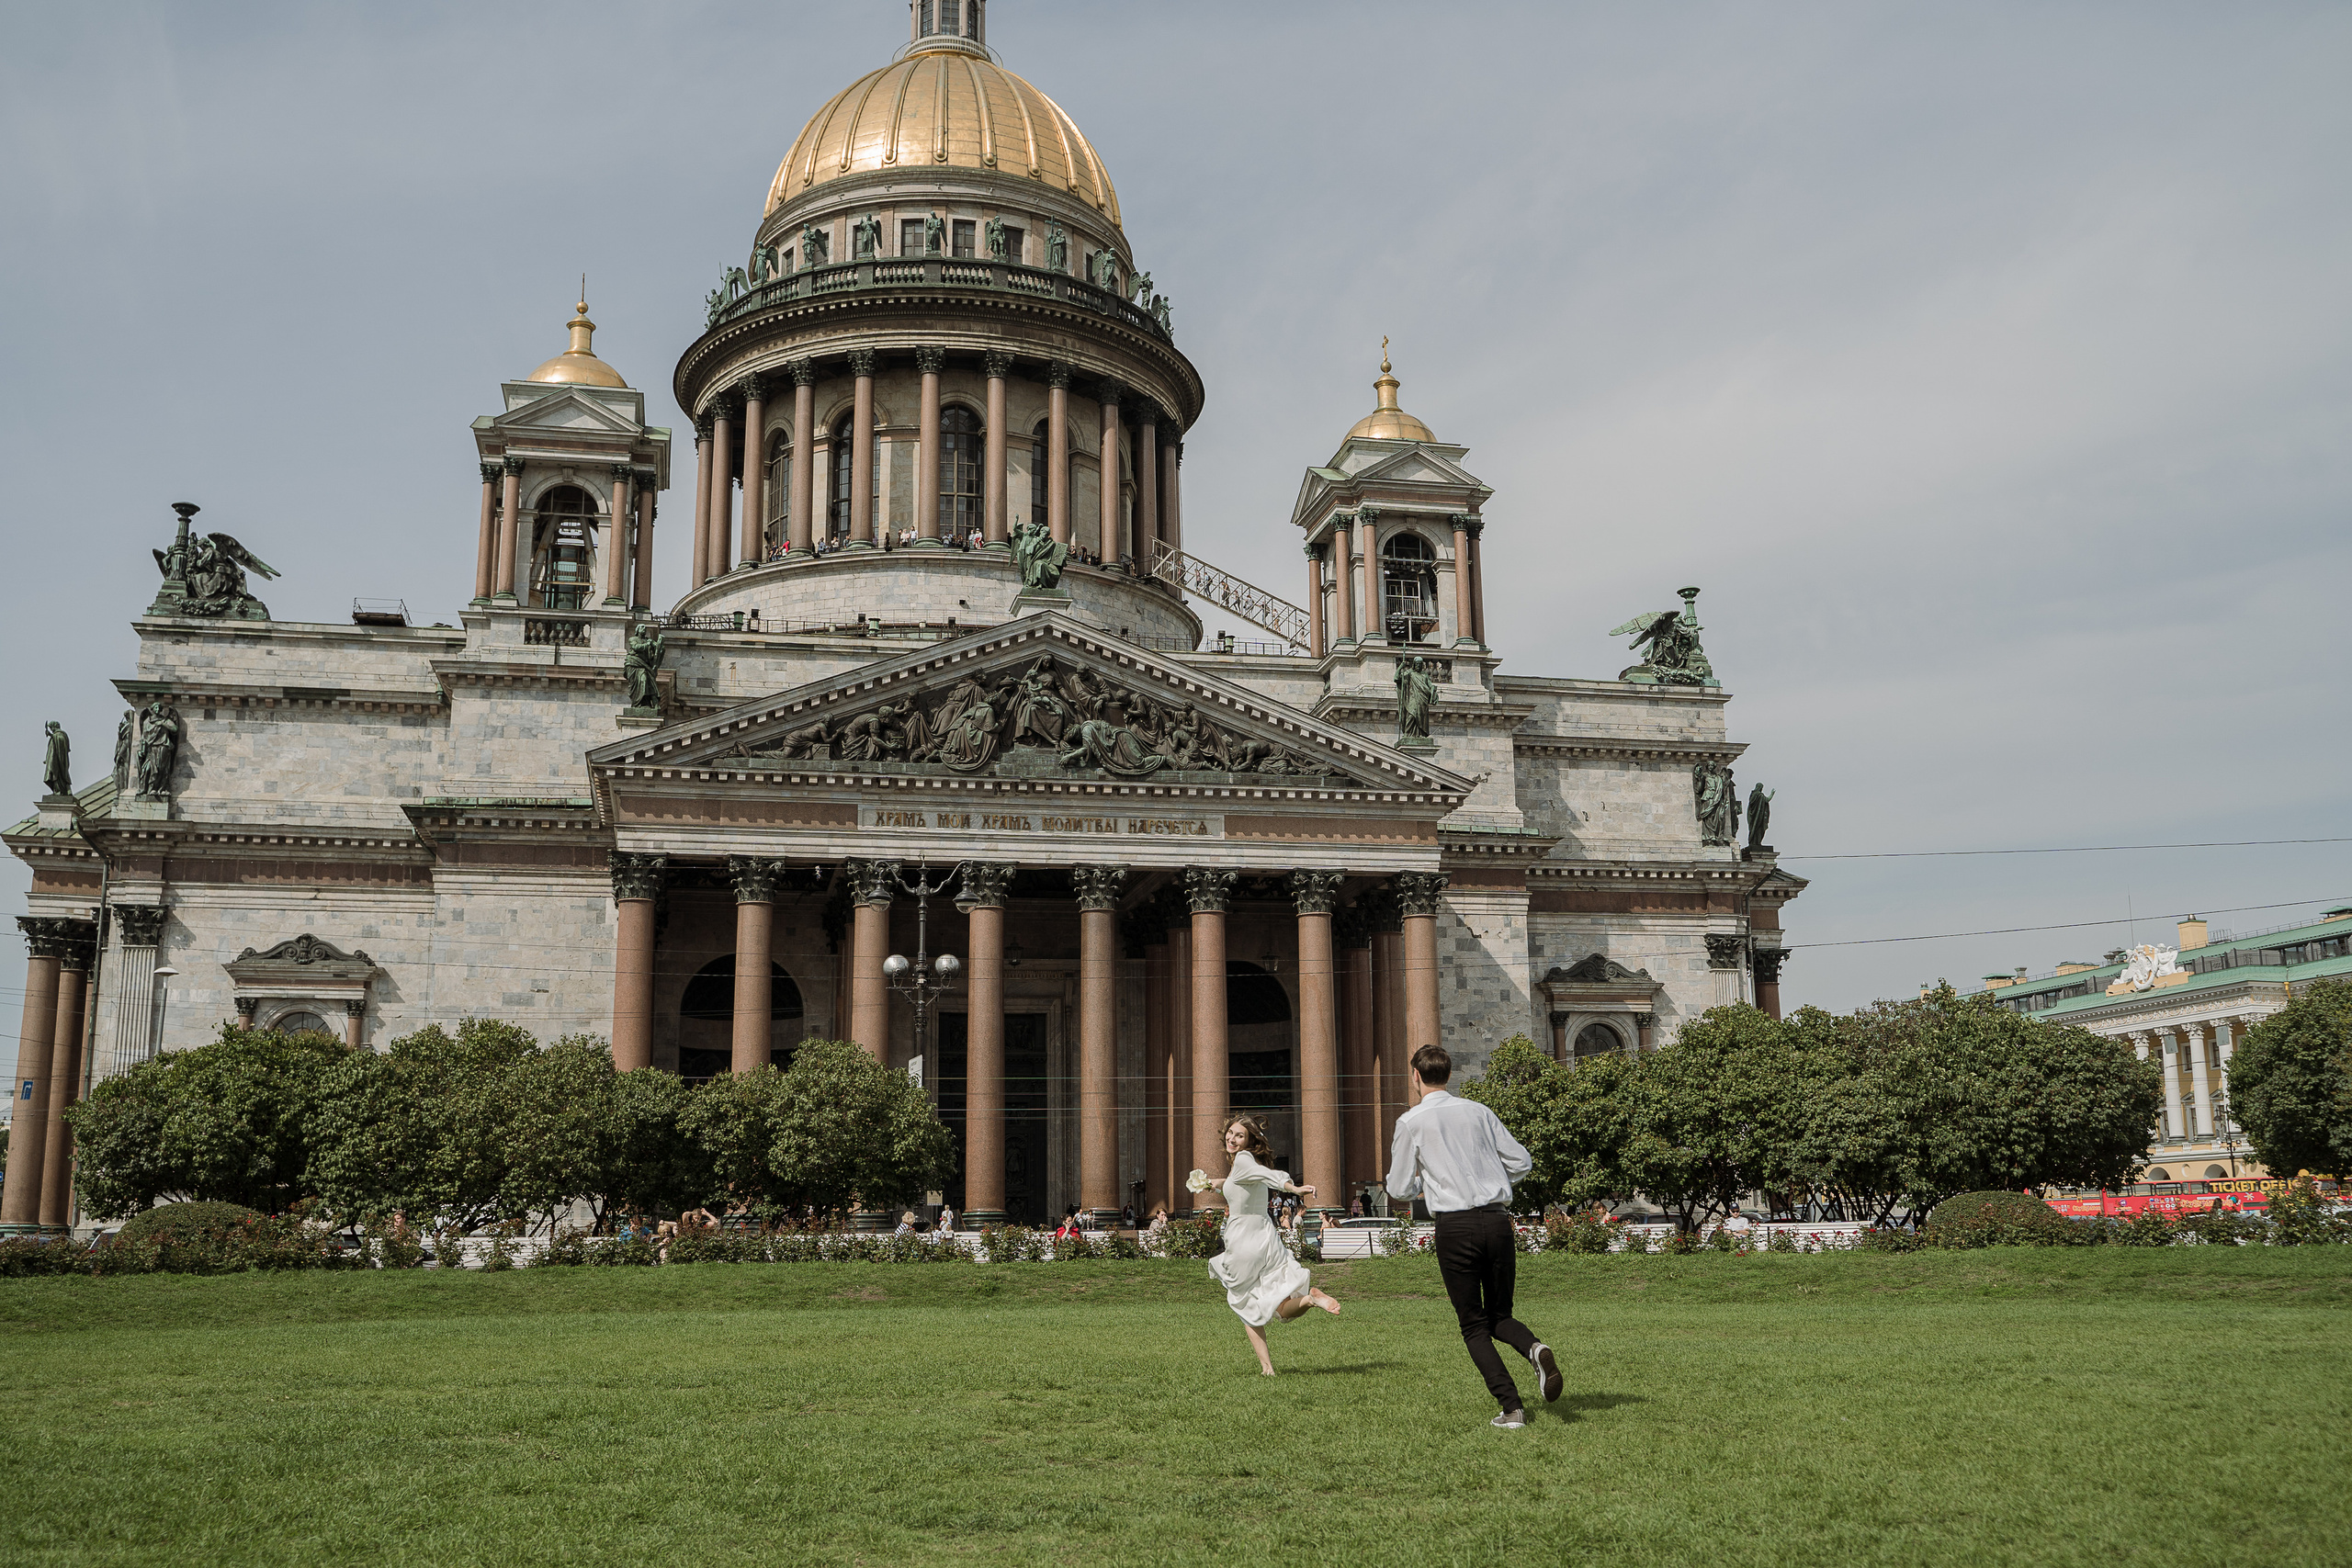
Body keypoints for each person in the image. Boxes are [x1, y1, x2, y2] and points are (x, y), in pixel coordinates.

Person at [1385, 1043, 1563, 1429]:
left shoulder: (1411, 1122)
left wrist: (1424, 1179)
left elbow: (1398, 1187)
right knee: (1501, 1315)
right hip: (1497, 1220)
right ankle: (1534, 1347)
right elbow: (1521, 1161)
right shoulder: (1478, 1111)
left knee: (1473, 1324)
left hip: (1455, 1226)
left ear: (1415, 1076)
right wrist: (1492, 1179)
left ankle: (1512, 1409)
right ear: (1449, 1075)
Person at [1206, 1114, 1340, 1376]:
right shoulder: (1242, 1165)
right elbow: (1249, 1181)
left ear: (1250, 1141)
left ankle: (1267, 1368)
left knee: (1246, 1305)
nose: (1232, 1139)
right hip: (1266, 1237)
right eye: (1231, 1133)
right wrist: (1217, 1184)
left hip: (1243, 1238)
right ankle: (1311, 1299)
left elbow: (1267, 1176)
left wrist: (1293, 1188)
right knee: (1282, 1308)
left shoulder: (1244, 1161)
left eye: (1239, 1136)